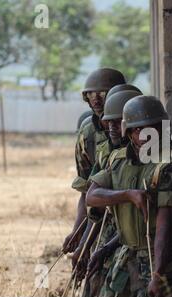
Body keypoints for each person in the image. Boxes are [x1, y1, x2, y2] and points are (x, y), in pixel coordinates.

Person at [86, 96, 172, 297]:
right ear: (129, 132)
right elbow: (92, 196)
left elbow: (164, 225)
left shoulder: (168, 165)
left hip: (159, 260)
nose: (144, 135)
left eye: (151, 128)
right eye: (138, 129)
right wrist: (127, 195)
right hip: (126, 256)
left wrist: (158, 274)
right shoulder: (118, 160)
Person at [77, 89, 143, 297]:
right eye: (109, 123)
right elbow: (91, 197)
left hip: (137, 246)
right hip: (116, 238)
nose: (112, 129)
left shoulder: (149, 160)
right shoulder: (113, 156)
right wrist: (84, 244)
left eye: (118, 123)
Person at [62, 68, 126, 257]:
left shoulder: (135, 129)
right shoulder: (87, 133)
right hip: (99, 221)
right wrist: (78, 232)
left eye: (102, 93)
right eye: (90, 94)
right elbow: (86, 191)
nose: (96, 99)